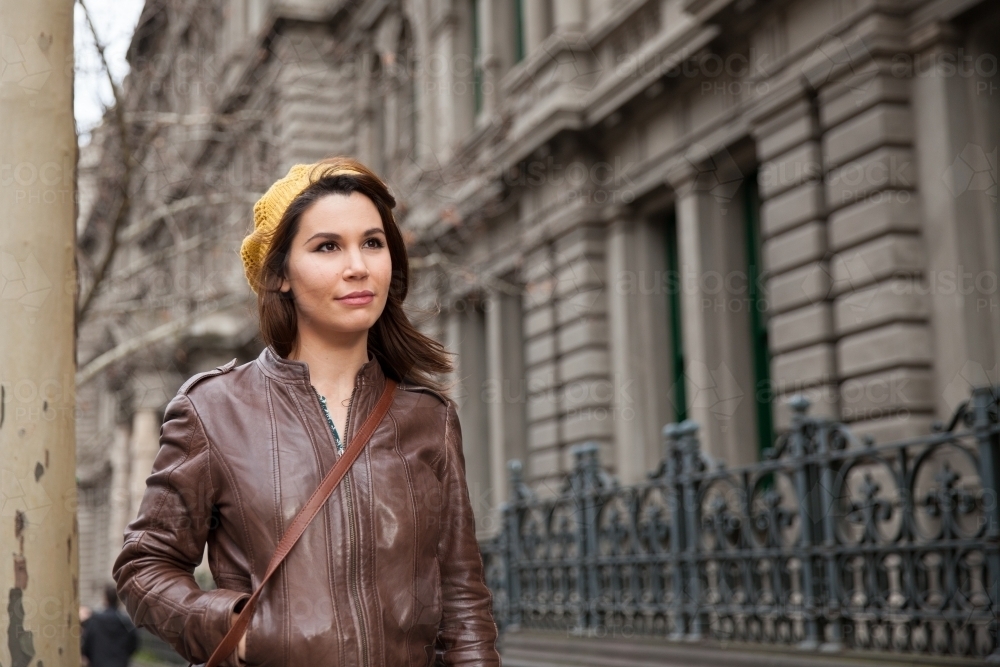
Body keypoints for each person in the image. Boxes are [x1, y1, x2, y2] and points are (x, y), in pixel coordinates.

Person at [112, 157, 501, 666]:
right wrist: (234, 629)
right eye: (327, 247)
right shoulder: (213, 410)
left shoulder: (429, 417)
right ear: (280, 275)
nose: (358, 265)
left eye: (372, 243)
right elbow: (144, 565)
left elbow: (463, 602)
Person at [81, 583, 139, 667]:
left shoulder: (95, 620)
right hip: (120, 663)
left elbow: (87, 642)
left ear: (105, 599)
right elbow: (133, 644)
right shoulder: (126, 623)